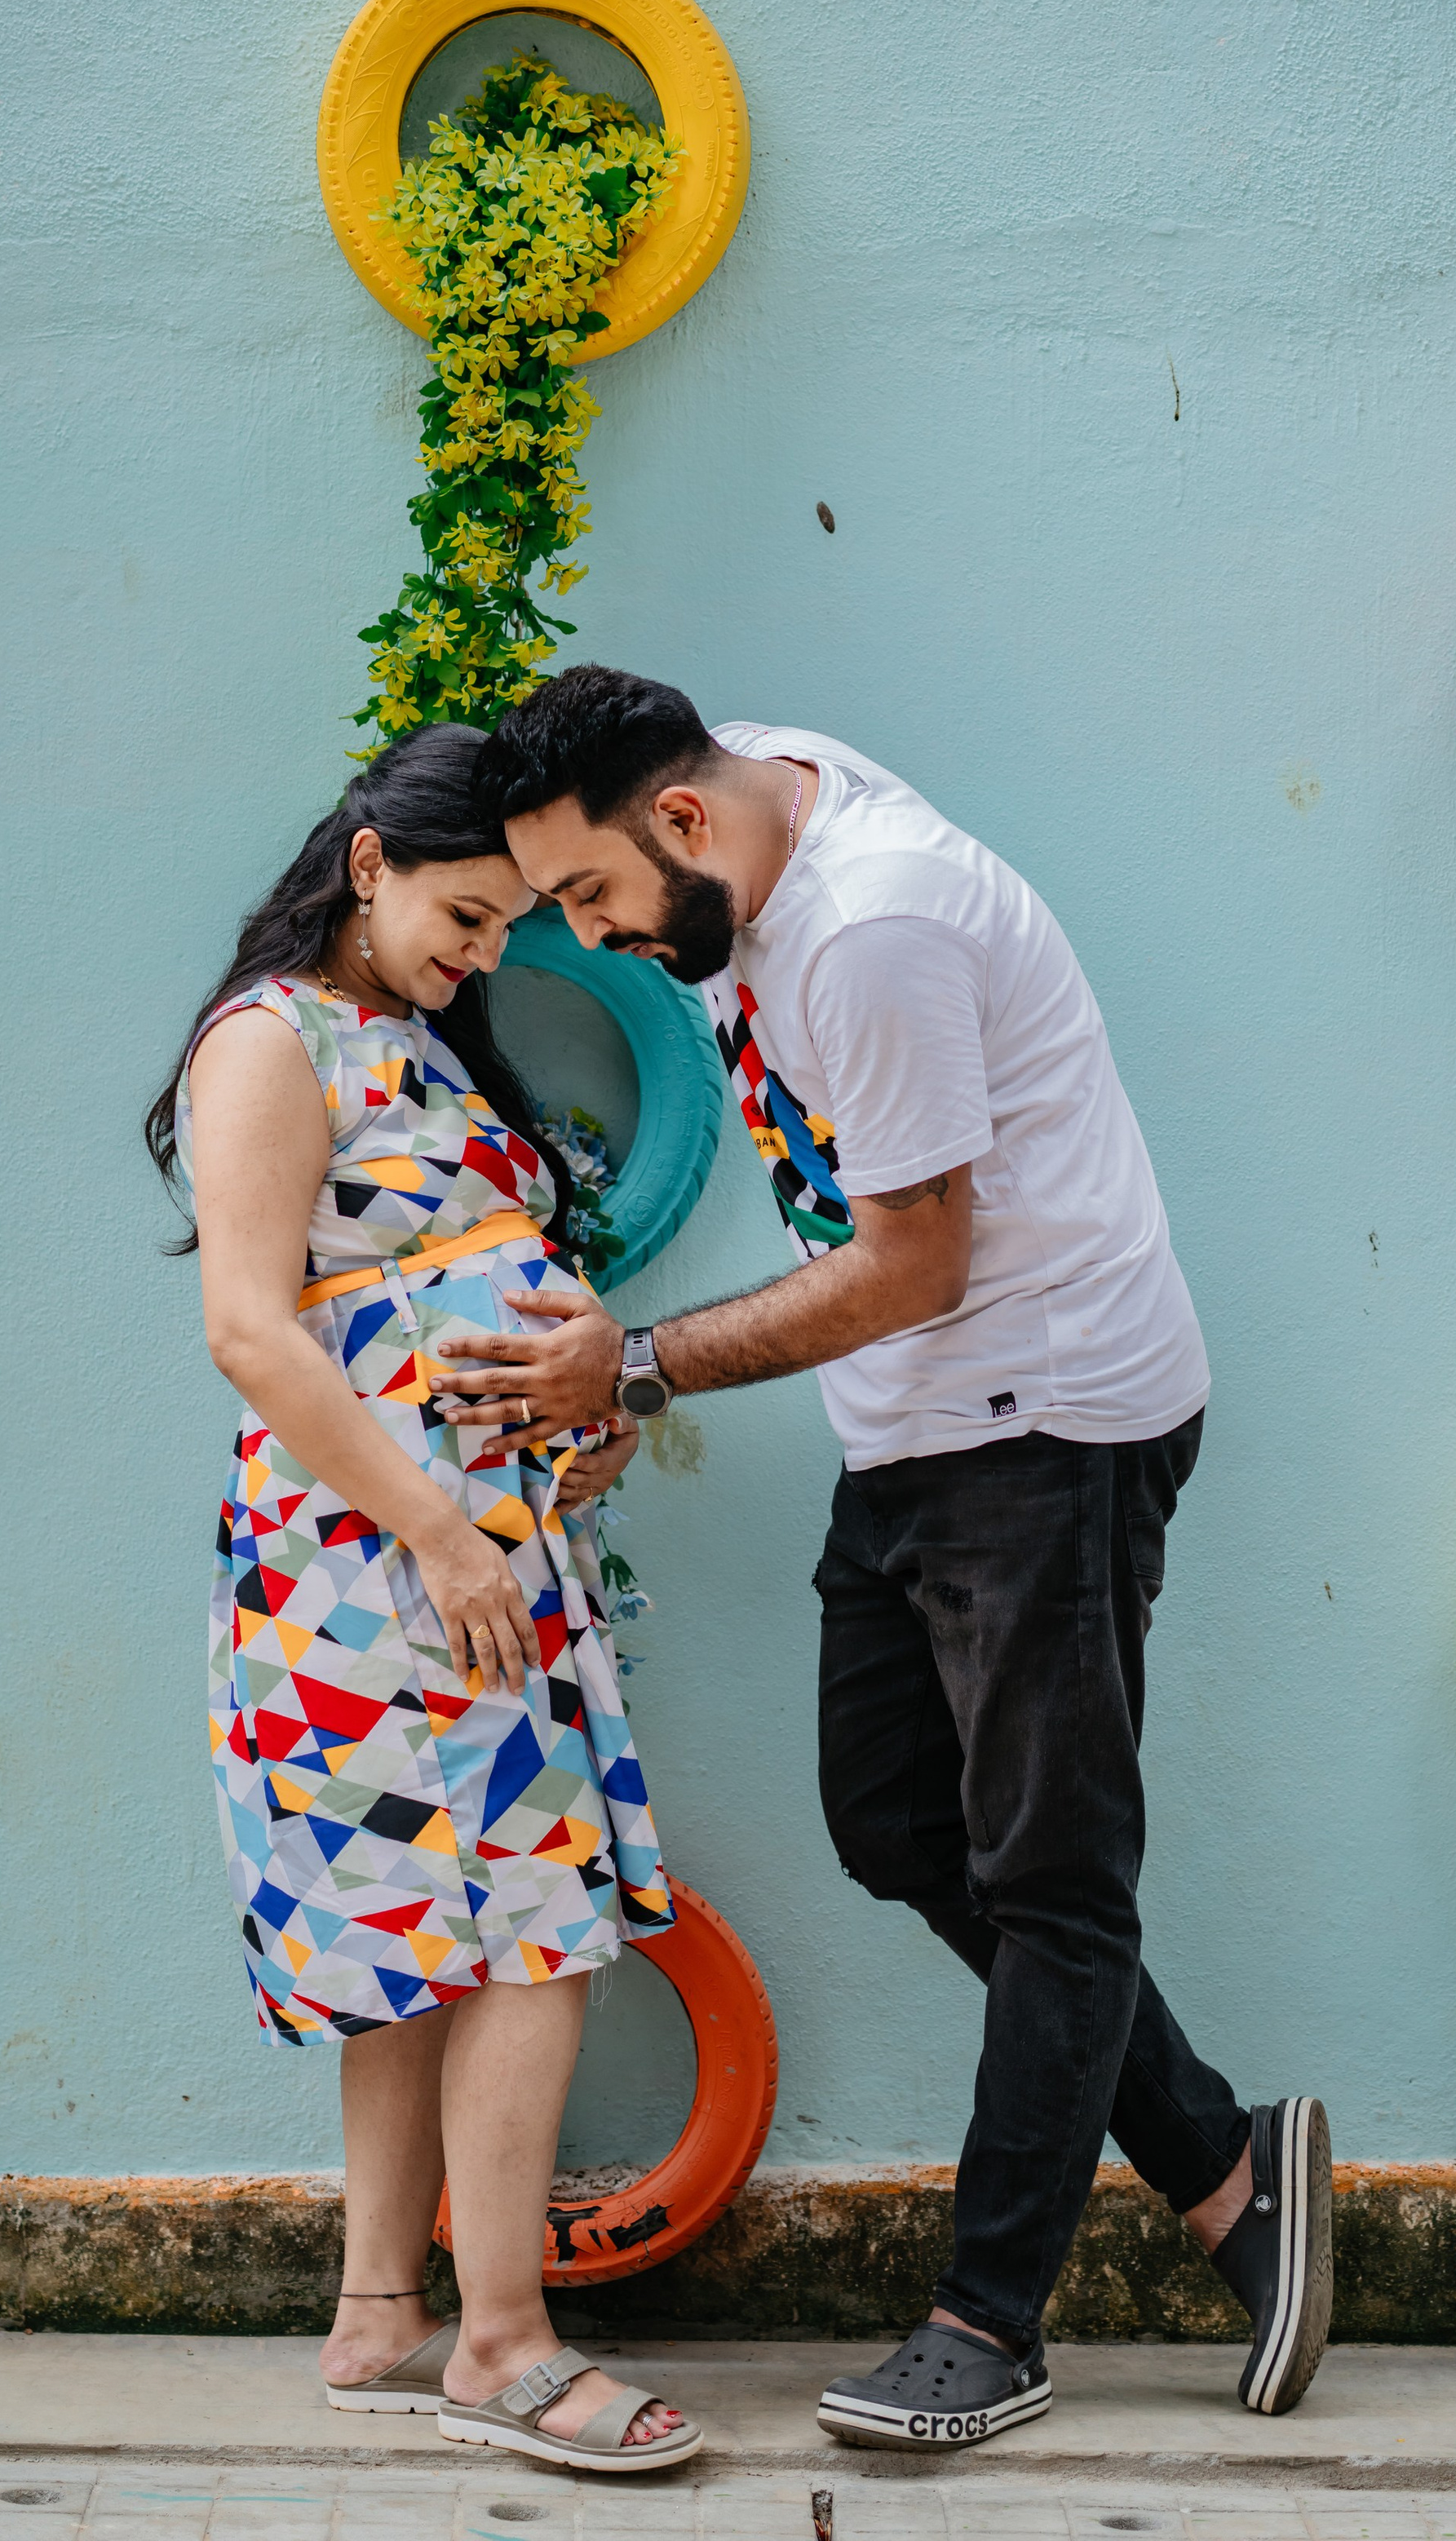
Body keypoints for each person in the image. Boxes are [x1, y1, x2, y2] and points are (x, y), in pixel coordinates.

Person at [426, 667, 1334, 2449]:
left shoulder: (873, 930)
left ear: (684, 827)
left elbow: (913, 1259)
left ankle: (987, 2321)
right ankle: (1230, 2169)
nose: (592, 938)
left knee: (1052, 1875)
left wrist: (639, 1359)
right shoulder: (767, 787)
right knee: (897, 1826)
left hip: (1048, 1419)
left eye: (595, 901)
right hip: (915, 1421)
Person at [146, 725, 701, 2477]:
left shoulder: (408, 1039)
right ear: (369, 863)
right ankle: (505, 2344)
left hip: (474, 1550)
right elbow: (251, 1326)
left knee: (424, 1940)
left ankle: (385, 2310)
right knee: (528, 1934)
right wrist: (448, 1536)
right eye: (466, 915)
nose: (484, 954)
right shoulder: (272, 1038)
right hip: (386, 1564)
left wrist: (571, 1431)